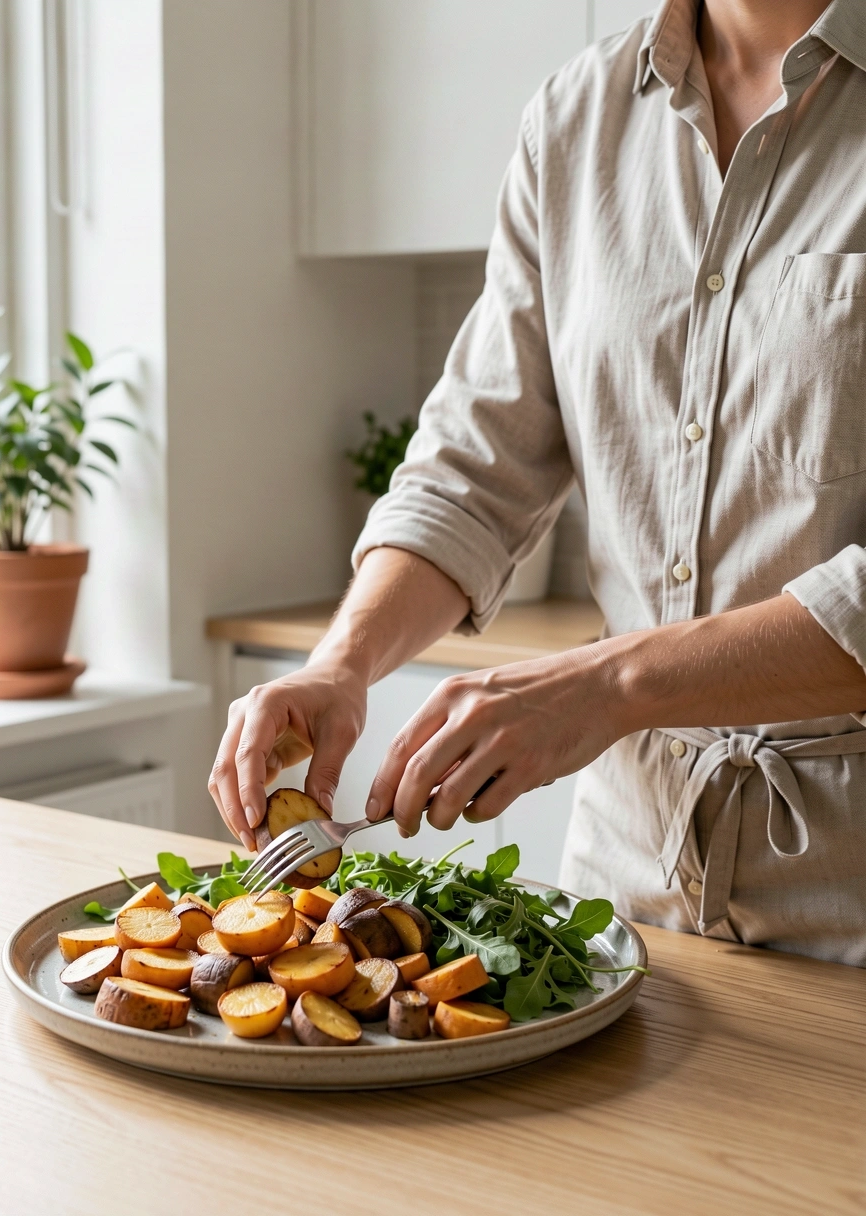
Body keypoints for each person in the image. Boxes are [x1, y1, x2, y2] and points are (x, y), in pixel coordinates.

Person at [209, 0, 866, 966]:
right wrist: (339, 665)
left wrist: (612, 684)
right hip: (625, 894)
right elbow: (477, 464)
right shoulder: (576, 117)